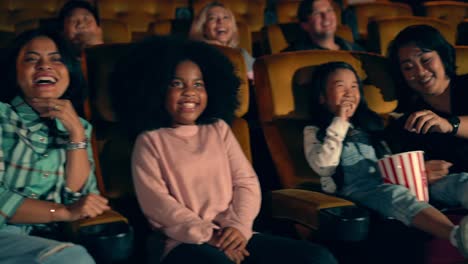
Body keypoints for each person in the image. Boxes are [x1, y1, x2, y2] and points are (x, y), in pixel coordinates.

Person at [110, 35, 337, 264]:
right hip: (184, 243)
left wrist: (237, 228)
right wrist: (212, 236)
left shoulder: (219, 129)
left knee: (318, 258)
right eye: (177, 83)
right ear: (156, 89)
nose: (190, 92)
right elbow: (159, 205)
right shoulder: (149, 141)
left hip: (237, 235)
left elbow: (246, 183)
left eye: (198, 84)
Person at [303, 61, 468, 258]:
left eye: (354, 86)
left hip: (390, 179)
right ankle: (458, 237)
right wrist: (340, 121)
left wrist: (415, 171)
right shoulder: (315, 131)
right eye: (340, 87)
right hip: (357, 191)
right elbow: (324, 166)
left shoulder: (370, 124)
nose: (349, 93)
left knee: (456, 181)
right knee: (396, 195)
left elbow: (387, 158)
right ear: (321, 97)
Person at [0, 29, 110, 263]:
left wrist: (76, 137)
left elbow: (83, 199)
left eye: (56, 58)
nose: (45, 66)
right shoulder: (2, 117)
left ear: (69, 72)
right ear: (15, 72)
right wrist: (62, 212)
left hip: (49, 239)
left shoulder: (80, 127)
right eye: (31, 59)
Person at [386, 25, 468, 195]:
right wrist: (420, 173)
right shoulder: (408, 120)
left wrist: (449, 125)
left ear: (442, 56)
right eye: (408, 67)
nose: (421, 72)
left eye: (426, 60)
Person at [189, 2, 254, 81]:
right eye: (212, 18)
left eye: (226, 17)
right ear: (203, 28)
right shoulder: (194, 55)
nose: (220, 21)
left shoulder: (241, 54)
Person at [283, 0, 364, 52]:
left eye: (329, 10)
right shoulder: (294, 56)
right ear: (305, 25)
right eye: (317, 13)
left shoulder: (355, 49)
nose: (326, 16)